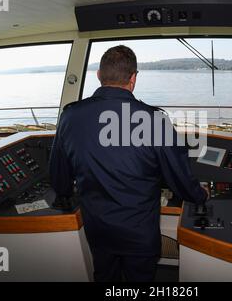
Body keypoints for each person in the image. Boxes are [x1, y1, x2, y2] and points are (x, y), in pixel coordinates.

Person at [49, 45, 207, 282]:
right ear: (133, 78)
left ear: (99, 76)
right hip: (139, 234)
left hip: (98, 230)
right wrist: (200, 195)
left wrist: (64, 193)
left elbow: (59, 178)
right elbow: (178, 176)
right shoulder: (154, 120)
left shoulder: (70, 116)